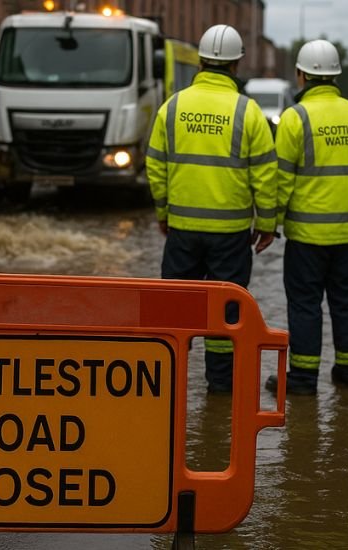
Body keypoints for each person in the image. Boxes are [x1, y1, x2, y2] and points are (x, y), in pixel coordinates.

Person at [146, 24, 278, 394]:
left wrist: (162, 212)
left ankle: (168, 384)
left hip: (183, 229)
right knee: (227, 311)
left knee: (175, 308)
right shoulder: (248, 111)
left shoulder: (173, 106)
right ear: (236, 64)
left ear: (202, 61)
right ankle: (221, 388)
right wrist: (267, 223)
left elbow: (156, 165)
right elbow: (265, 175)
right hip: (231, 234)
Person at [266, 40, 348, 394]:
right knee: (346, 302)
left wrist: (270, 223)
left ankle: (302, 380)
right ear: (336, 76)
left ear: (301, 75)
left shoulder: (294, 118)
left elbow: (281, 180)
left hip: (305, 237)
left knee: (305, 306)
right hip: (346, 236)